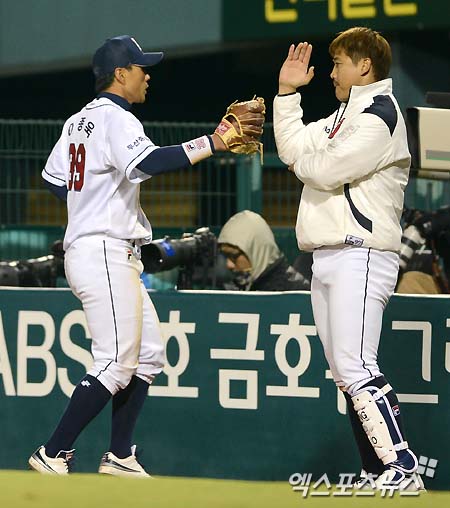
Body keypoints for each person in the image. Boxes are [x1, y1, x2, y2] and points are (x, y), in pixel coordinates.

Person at [29, 35, 264, 476]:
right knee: (116, 362)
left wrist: (89, 199)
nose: (147, 75)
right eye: (141, 68)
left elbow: (54, 180)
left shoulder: (77, 121)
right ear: (121, 74)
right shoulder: (117, 118)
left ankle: (119, 455)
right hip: (104, 250)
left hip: (102, 249)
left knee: (149, 353)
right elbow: (149, 163)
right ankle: (53, 452)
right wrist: (212, 142)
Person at [273, 27, 424, 490]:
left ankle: (403, 467)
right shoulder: (346, 114)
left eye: (338, 63)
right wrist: (286, 95)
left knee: (357, 365)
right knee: (345, 373)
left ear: (364, 66)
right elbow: (294, 148)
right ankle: (376, 470)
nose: (331, 72)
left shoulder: (381, 114)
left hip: (362, 253)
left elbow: (325, 169)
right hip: (329, 255)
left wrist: (303, 163)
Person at [218, 210, 310, 291]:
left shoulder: (293, 292)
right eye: (225, 256)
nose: (229, 264)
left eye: (233, 256)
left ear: (256, 251)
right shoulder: (237, 285)